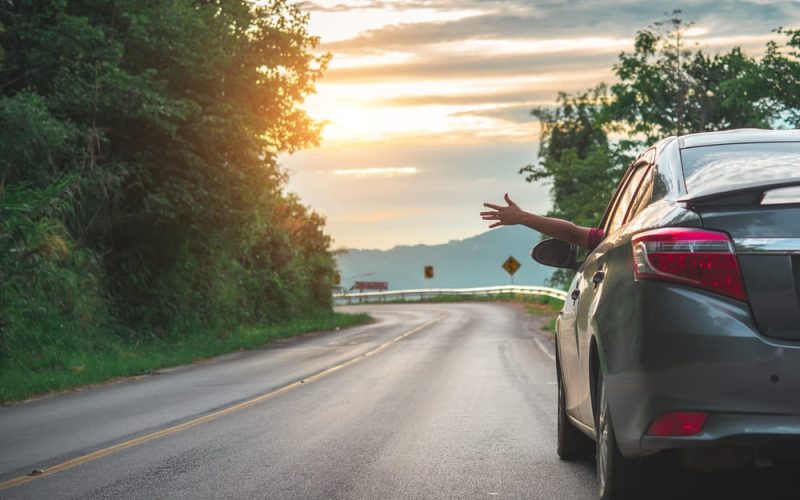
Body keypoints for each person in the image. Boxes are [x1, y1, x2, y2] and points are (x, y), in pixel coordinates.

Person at [481, 193, 604, 251]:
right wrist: (521, 217)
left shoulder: (616, 239)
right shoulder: (617, 238)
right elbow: (574, 235)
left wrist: (522, 217)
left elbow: (575, 235)